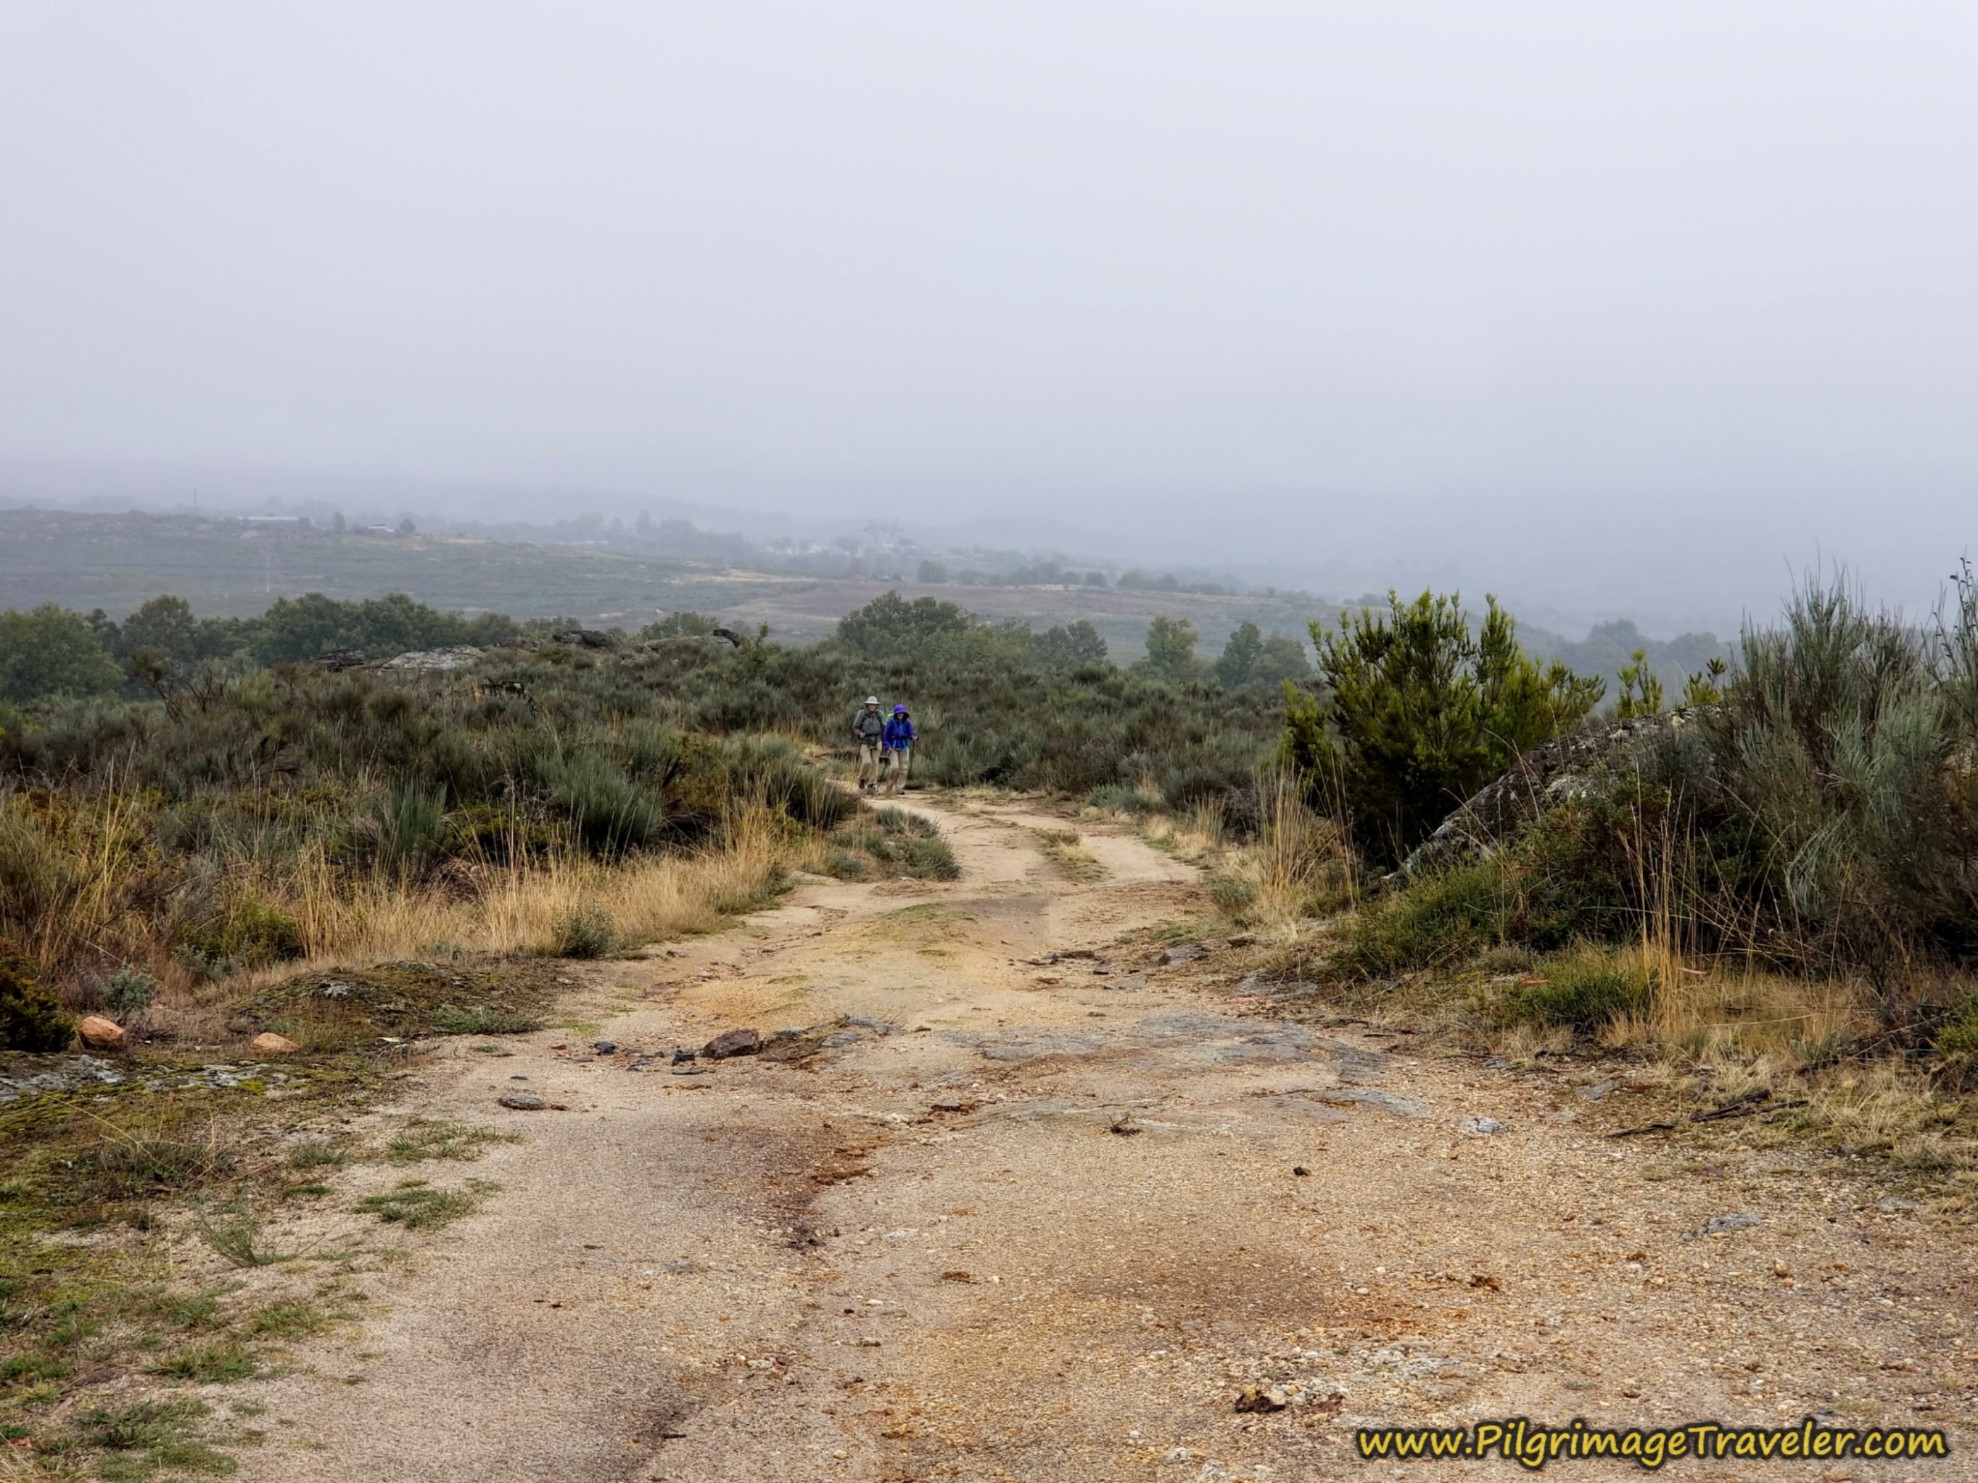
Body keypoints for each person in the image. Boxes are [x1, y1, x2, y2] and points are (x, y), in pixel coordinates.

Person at [851, 695, 886, 792]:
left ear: (876, 705)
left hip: (877, 740)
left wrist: (884, 739)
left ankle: (872, 784)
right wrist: (859, 733)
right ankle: (862, 779)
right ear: (867, 704)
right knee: (867, 762)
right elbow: (855, 727)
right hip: (865, 741)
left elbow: (884, 726)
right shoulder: (861, 713)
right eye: (870, 704)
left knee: (875, 763)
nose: (872, 706)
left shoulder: (880, 714)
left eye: (874, 704)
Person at [881, 703, 916, 796]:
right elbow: (885, 736)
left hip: (904, 747)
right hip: (892, 747)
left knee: (904, 768)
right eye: (899, 713)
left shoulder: (907, 723)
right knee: (894, 767)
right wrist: (887, 746)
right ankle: (889, 787)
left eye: (902, 713)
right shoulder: (891, 722)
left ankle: (899, 788)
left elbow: (910, 733)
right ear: (896, 714)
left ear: (904, 713)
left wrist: (913, 737)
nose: (900, 714)